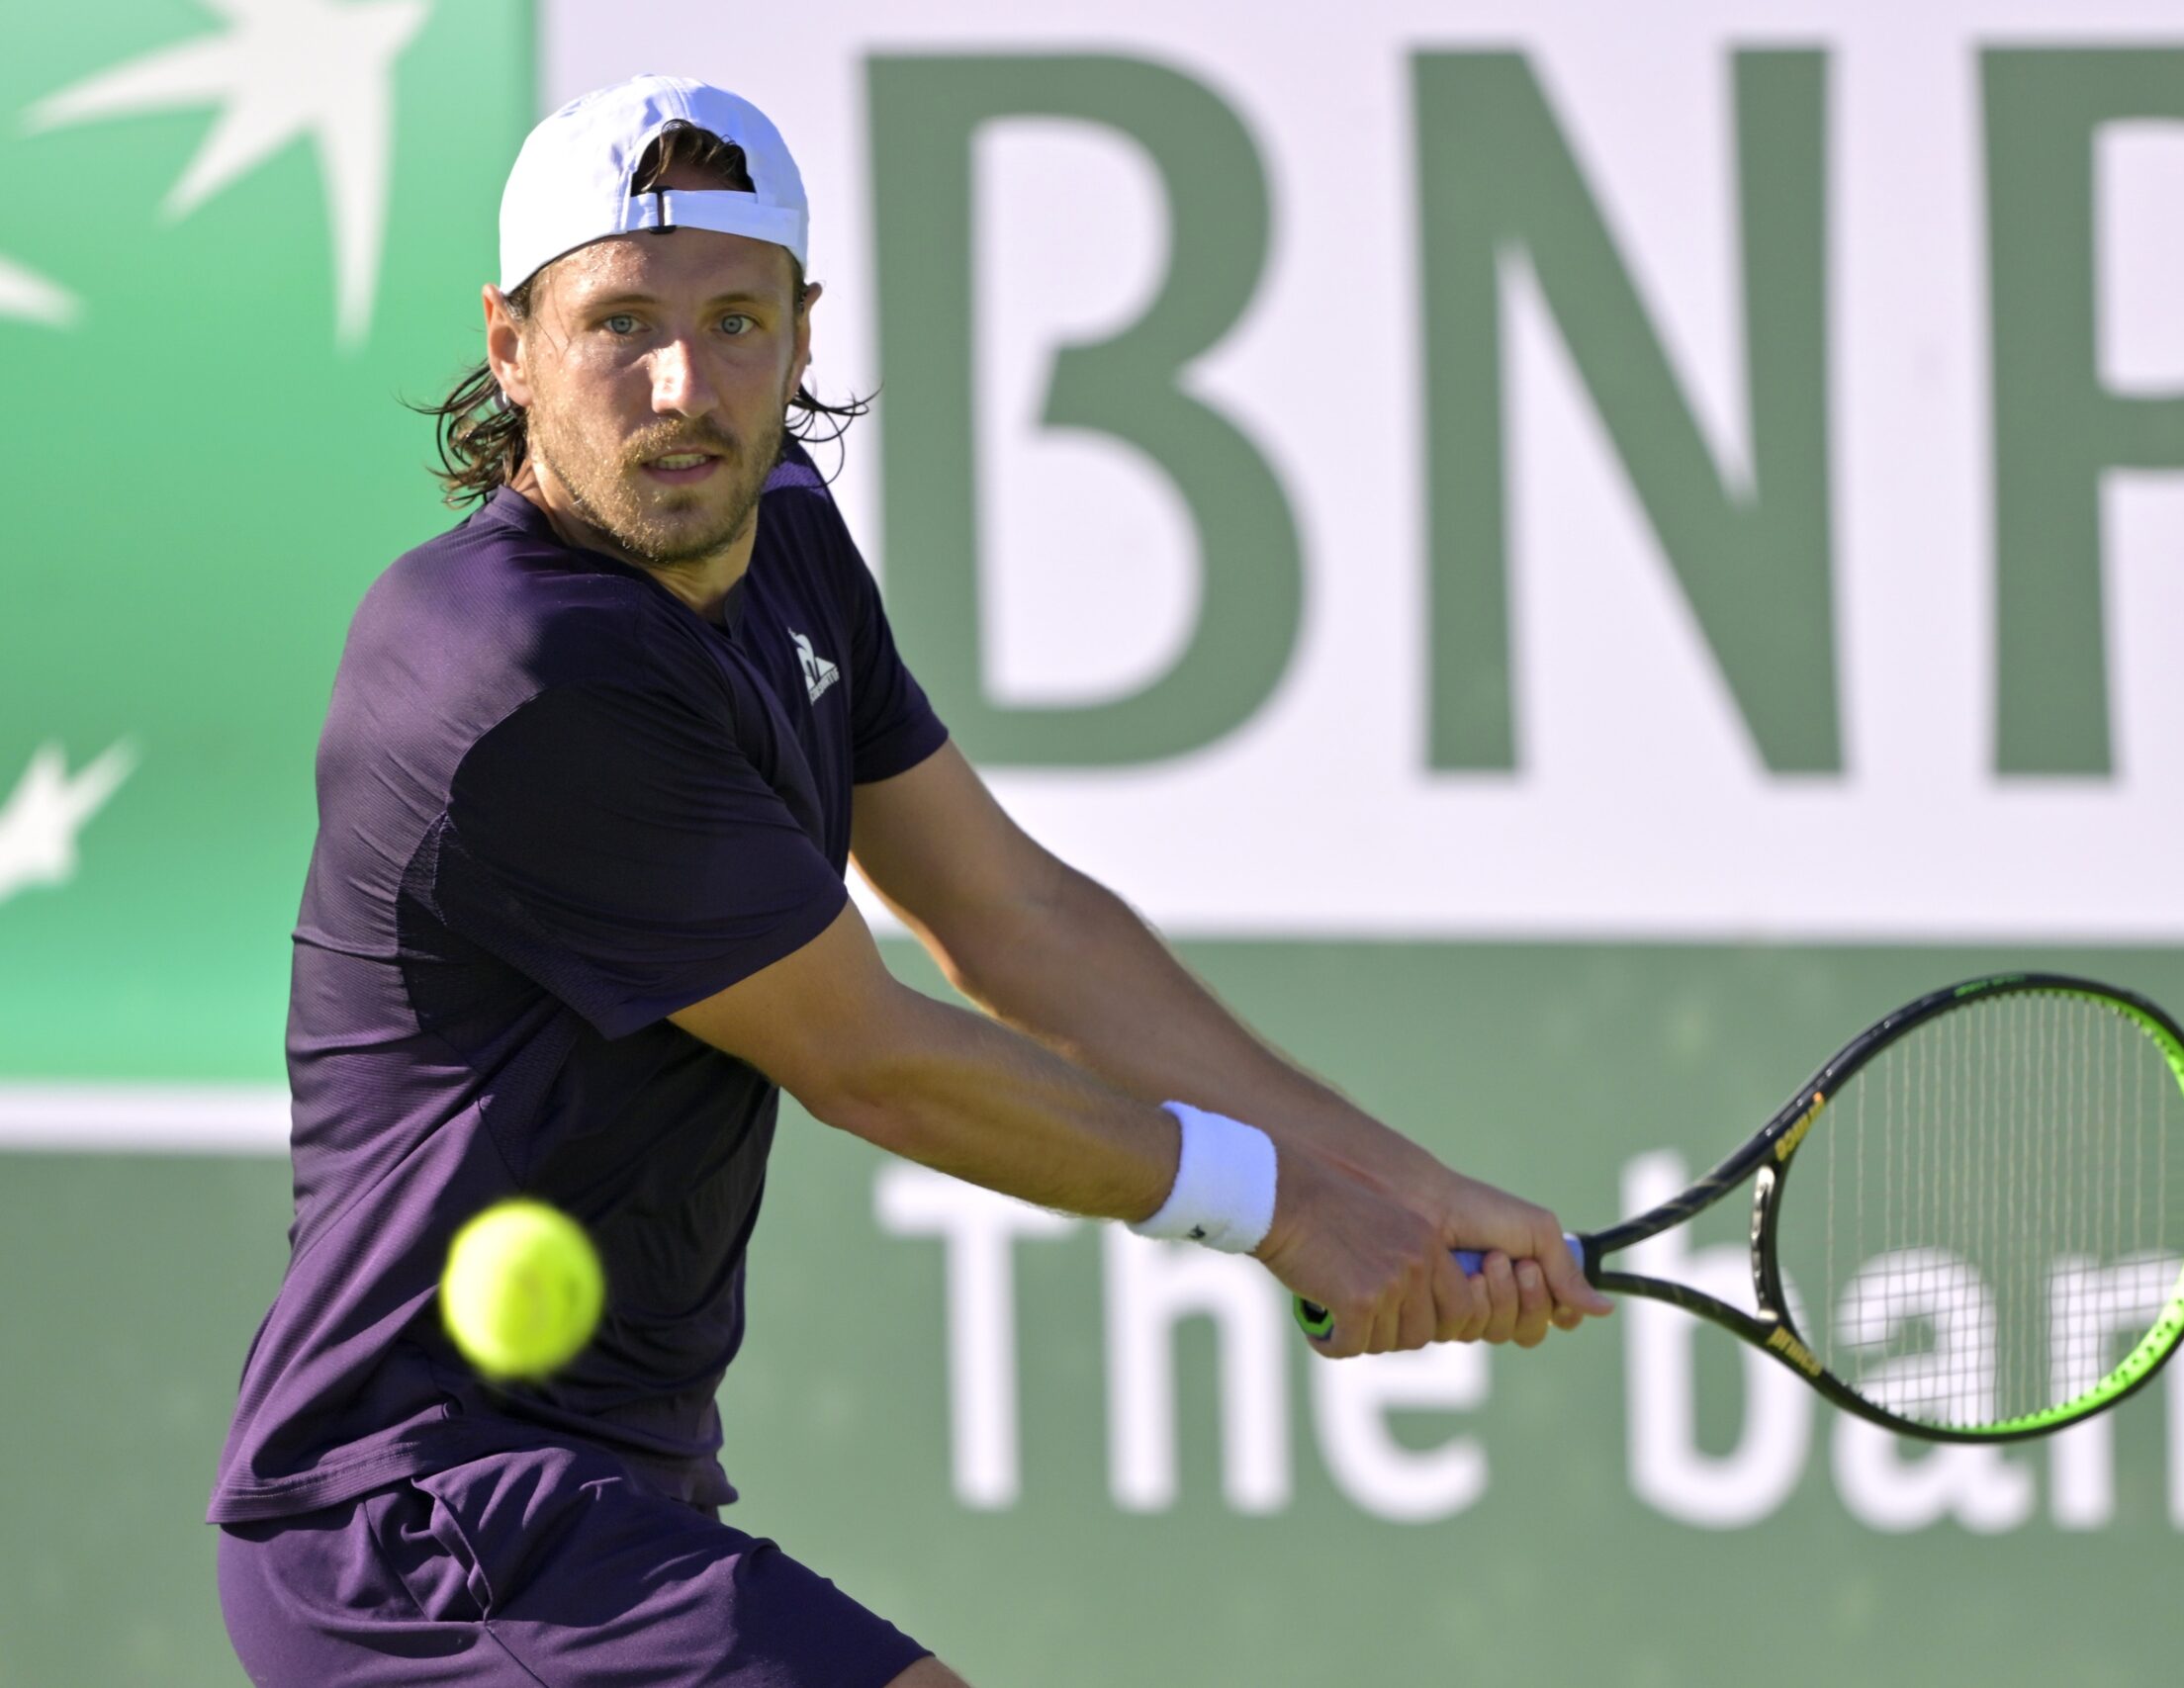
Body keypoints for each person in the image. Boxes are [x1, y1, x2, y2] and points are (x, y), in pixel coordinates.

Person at [208, 74, 1609, 1686]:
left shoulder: (784, 537)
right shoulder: (514, 671)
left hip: (602, 1491)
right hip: (426, 1523)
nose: (685, 385)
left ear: (805, 336)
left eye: (738, 321)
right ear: (512, 346)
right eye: (618, 325)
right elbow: (871, 1058)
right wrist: (1287, 1208)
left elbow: (1016, 917)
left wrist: (1407, 1193)